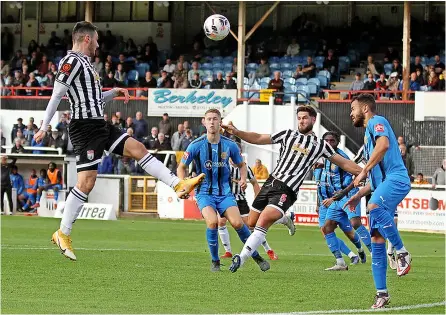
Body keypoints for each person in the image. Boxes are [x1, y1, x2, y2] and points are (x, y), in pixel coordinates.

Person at [32, 21, 205, 261]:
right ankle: (63, 232)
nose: (98, 44)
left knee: (138, 148)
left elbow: (92, 99)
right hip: (85, 128)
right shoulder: (71, 61)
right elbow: (57, 95)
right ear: (86, 39)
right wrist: (44, 126)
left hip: (99, 124)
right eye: (96, 40)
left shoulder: (86, 65)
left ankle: (178, 184)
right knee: (86, 183)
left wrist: (113, 93)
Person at [222, 105, 362, 273]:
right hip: (271, 182)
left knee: (263, 222)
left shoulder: (320, 146)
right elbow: (259, 137)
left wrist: (365, 172)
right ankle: (285, 219)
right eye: (299, 118)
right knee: (250, 223)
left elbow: (345, 163)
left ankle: (241, 258)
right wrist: (237, 132)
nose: (302, 121)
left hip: (287, 189)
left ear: (313, 120)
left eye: (305, 118)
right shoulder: (287, 134)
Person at [177, 109, 270, 272]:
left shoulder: (230, 145)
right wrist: (182, 184)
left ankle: (256, 256)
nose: (212, 122)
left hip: (225, 193)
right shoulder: (196, 145)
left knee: (238, 223)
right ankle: (215, 262)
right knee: (212, 223)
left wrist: (242, 179)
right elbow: (182, 167)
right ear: (203, 122)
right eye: (209, 119)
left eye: (215, 119)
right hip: (204, 193)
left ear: (221, 122)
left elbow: (241, 165)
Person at [344, 93, 412, 308]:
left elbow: (383, 146)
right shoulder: (366, 137)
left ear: (365, 109)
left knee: (374, 207)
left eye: (353, 108)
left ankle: (402, 252)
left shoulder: (376, 121)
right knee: (376, 240)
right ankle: (382, 294)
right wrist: (358, 194)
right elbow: (375, 181)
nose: (351, 113)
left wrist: (363, 170)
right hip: (383, 185)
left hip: (397, 179)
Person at [315, 131, 372, 271]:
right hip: (335, 198)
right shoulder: (326, 157)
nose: (329, 143)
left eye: (332, 141)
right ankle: (340, 262)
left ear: (337, 142)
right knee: (327, 228)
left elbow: (359, 175)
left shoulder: (342, 157)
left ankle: (376, 253)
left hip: (348, 195)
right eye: (326, 140)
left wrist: (344, 192)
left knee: (355, 223)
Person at [217, 144, 278, 261]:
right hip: (226, 199)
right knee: (221, 222)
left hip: (240, 200)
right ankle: (228, 251)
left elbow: (255, 183)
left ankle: (268, 250)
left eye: (238, 153)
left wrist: (258, 200)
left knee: (251, 226)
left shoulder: (245, 168)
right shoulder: (224, 167)